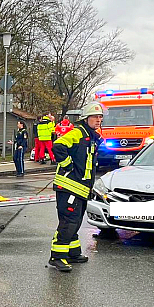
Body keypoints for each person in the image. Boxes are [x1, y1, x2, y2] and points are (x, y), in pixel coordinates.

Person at [48, 102, 104, 272]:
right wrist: (67, 165)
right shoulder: (78, 133)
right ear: (86, 118)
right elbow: (58, 146)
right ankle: (57, 257)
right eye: (95, 117)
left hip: (80, 188)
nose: (98, 120)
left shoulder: (91, 136)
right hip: (69, 187)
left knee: (76, 221)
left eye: (100, 117)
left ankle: (72, 252)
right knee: (68, 222)